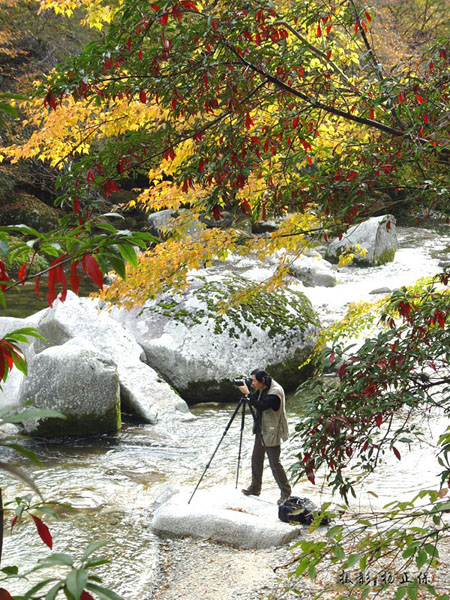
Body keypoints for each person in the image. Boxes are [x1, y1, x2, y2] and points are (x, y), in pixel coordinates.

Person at [237, 369, 292, 505]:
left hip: (272, 430)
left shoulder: (275, 392)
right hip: (262, 428)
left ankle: (286, 493)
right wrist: (249, 393)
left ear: (262, 380)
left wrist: (248, 394)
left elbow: (261, 406)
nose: (253, 383)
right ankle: (255, 488)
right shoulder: (263, 386)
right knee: (256, 458)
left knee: (274, 463)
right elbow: (256, 399)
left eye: (254, 380)